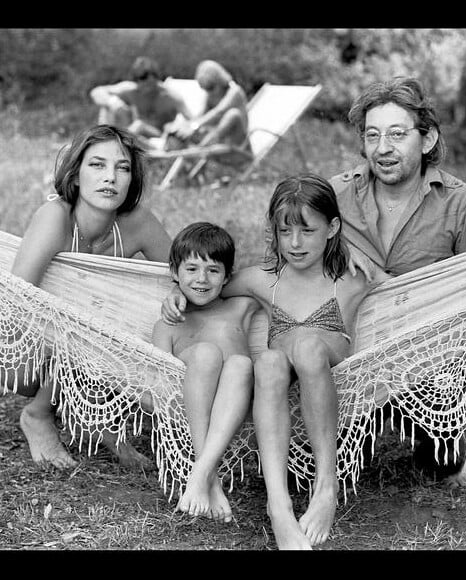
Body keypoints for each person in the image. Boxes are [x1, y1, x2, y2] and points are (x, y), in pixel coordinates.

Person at [162, 174, 386, 549]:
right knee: (266, 362)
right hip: (279, 377)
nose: (295, 243)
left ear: (332, 228)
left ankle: (325, 488)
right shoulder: (262, 280)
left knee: (309, 349)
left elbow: (410, 292)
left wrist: (358, 254)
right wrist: (173, 292)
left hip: (326, 367)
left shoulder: (351, 277)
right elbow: (204, 286)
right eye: (285, 232)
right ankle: (278, 505)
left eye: (308, 231)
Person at [330, 76, 466, 486]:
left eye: (397, 134)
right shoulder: (335, 194)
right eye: (372, 135)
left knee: (446, 471)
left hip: (429, 356)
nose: (382, 148)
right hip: (351, 353)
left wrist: (387, 283)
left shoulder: (460, 201)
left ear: (426, 139)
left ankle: (440, 437)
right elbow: (285, 255)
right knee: (334, 467)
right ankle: (353, 427)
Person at [4, 124, 173, 470]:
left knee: (136, 312)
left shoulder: (138, 222)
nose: (110, 177)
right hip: (19, 351)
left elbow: (179, 277)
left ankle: (96, 420)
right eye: (97, 165)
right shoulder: (55, 217)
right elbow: (17, 300)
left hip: (83, 351)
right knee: (90, 310)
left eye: (122, 168)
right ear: (77, 175)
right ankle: (38, 414)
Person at [151, 222, 261, 523]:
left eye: (213, 270)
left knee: (240, 364)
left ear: (228, 276)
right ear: (174, 272)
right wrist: (175, 292)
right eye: (191, 270)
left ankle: (199, 475)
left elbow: (278, 277)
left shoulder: (243, 306)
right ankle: (208, 475)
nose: (202, 279)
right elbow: (158, 386)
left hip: (237, 402)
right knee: (206, 353)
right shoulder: (168, 325)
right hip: (190, 406)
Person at [89, 56, 194, 148]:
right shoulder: (132, 90)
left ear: (156, 78)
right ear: (137, 82)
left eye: (151, 84)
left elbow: (193, 120)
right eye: (144, 85)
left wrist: (184, 127)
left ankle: (116, 143)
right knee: (108, 107)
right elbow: (97, 92)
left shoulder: (170, 96)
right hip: (136, 136)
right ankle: (107, 140)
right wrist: (114, 102)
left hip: (160, 137)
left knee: (139, 125)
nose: (148, 89)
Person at [166, 60, 249, 151]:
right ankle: (187, 148)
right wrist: (185, 126)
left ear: (220, 80)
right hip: (218, 139)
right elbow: (201, 117)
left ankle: (201, 149)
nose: (209, 92)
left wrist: (194, 126)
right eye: (205, 88)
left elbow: (219, 112)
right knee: (179, 126)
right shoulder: (210, 95)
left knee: (233, 114)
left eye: (210, 87)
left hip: (237, 142)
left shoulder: (234, 92)